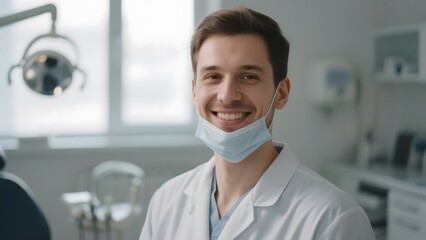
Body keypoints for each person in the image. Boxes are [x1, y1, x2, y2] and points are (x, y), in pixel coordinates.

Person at [140, 6, 375, 240]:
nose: (227, 95)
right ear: (194, 92)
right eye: (213, 76)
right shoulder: (165, 201)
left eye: (248, 76)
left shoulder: (332, 219)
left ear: (281, 93)